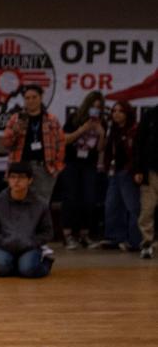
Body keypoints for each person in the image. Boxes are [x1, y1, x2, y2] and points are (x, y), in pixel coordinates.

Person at [0, 162, 55, 279]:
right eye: (13, 177)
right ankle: (17, 265)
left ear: (30, 180)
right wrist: (2, 241)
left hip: (29, 247)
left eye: (21, 177)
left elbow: (48, 232)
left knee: (28, 270)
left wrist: (32, 242)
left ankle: (45, 263)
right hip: (4, 246)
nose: (16, 181)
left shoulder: (40, 204)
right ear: (8, 179)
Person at [57, 91, 106, 249]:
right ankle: (68, 234)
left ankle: (85, 234)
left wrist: (102, 133)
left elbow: (100, 149)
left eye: (99, 107)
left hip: (89, 165)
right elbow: (64, 140)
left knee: (89, 199)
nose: (95, 110)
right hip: (71, 162)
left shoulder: (102, 122)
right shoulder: (74, 118)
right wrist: (83, 129)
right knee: (70, 197)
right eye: (93, 106)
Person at [1, 85, 64, 205]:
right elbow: (6, 144)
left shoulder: (51, 119)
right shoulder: (16, 118)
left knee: (42, 205)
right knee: (18, 202)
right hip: (21, 166)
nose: (31, 101)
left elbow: (60, 143)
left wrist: (57, 166)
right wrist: (14, 131)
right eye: (27, 98)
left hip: (44, 168)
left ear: (41, 98)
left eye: (34, 97)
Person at [99, 101, 140, 252]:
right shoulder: (113, 129)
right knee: (112, 205)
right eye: (114, 111)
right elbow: (108, 150)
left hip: (128, 172)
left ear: (127, 113)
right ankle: (115, 237)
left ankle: (135, 240)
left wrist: (134, 170)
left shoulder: (134, 130)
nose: (116, 114)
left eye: (120, 111)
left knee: (132, 206)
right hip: (114, 171)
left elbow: (137, 153)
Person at [136, 104, 158, 259]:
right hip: (150, 170)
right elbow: (139, 143)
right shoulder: (150, 115)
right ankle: (147, 242)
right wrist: (138, 169)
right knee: (147, 208)